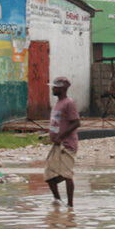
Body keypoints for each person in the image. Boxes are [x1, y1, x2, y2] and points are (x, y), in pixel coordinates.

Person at [45, 77, 80, 208]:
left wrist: (61, 137)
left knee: (66, 174)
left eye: (55, 87)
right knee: (49, 174)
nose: (52, 89)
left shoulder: (68, 103)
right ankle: (58, 200)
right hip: (57, 144)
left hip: (66, 145)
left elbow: (76, 122)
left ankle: (70, 205)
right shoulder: (57, 104)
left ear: (62, 89)